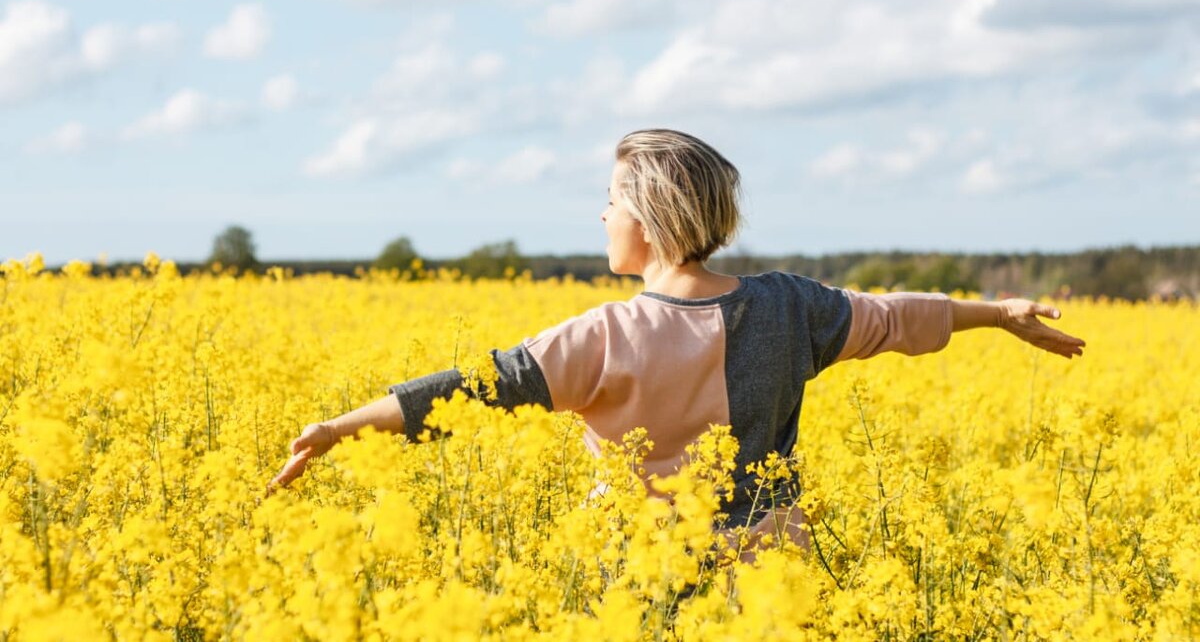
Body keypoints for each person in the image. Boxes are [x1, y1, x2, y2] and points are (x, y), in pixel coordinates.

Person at [268, 129, 1085, 551]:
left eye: (611, 200)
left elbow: (475, 388)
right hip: (770, 587)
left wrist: (343, 427)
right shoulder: (791, 307)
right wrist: (995, 313)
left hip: (639, 581)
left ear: (650, 218)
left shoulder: (605, 335)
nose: (601, 216)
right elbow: (897, 318)